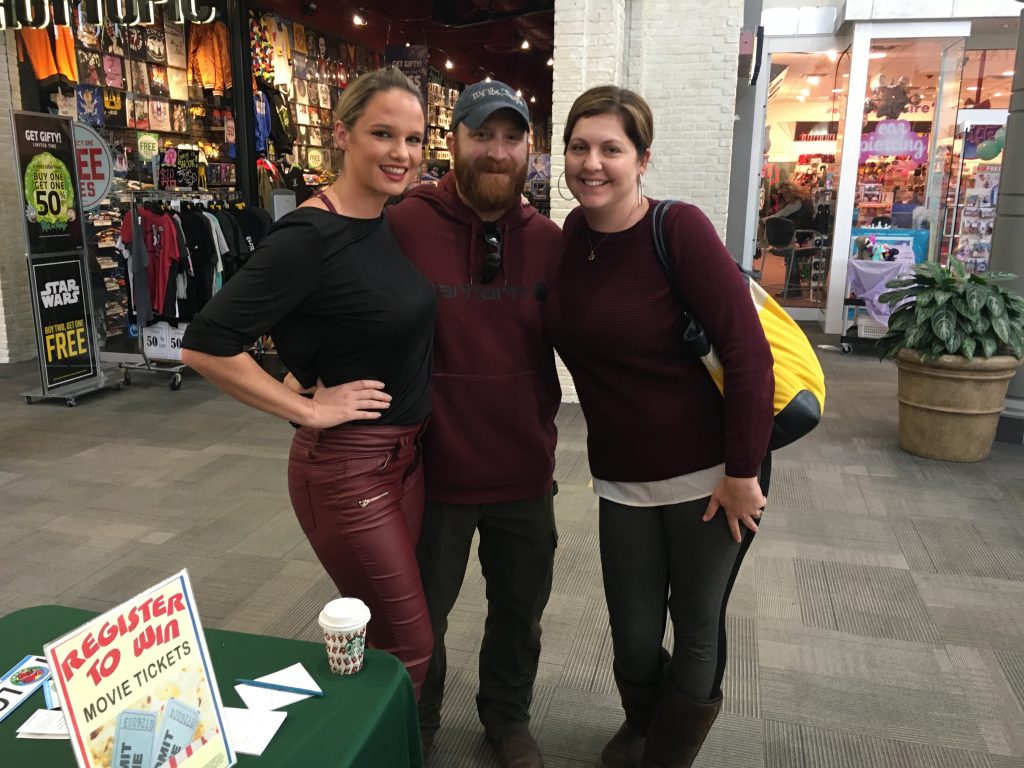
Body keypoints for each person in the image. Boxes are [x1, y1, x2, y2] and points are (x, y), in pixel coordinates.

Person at [180, 68, 436, 698]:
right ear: (342, 134)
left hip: (402, 460)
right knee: (409, 647)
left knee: (381, 639)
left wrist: (307, 362)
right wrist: (309, 409)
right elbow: (206, 345)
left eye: (414, 139)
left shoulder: (378, 219)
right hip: (350, 472)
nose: (402, 153)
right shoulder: (309, 235)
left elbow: (338, 317)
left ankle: (375, 737)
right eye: (383, 134)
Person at [544, 86, 774, 768]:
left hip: (712, 474)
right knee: (634, 634)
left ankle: (667, 753)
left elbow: (748, 353)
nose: (592, 163)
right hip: (621, 476)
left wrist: (743, 472)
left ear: (642, 159)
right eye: (579, 147)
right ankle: (645, 724)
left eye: (611, 149)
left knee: (697, 625)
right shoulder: (573, 236)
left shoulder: (678, 230)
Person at [386, 79, 561, 768]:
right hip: (432, 470)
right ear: (453, 140)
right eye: (481, 134)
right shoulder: (404, 225)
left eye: (512, 137)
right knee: (420, 618)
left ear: (530, 149)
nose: (497, 150)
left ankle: (507, 718)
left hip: (525, 468)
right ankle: (418, 722)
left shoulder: (549, 241)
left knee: (520, 611)